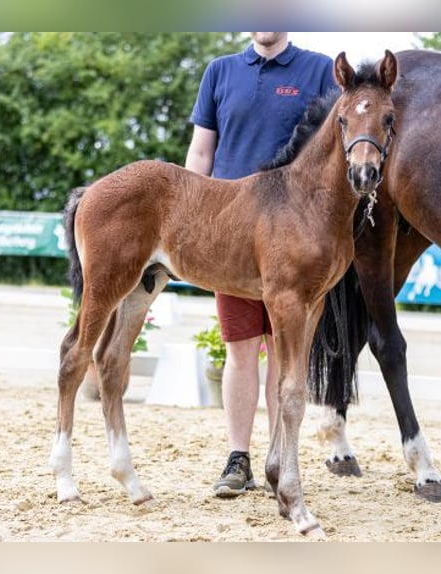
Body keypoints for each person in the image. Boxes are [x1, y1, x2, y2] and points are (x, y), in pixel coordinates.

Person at [185, 32, 338, 497]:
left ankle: (280, 456)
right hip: (231, 235)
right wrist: (192, 217)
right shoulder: (220, 71)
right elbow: (201, 152)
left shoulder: (319, 69)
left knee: (284, 356)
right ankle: (238, 458)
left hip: (298, 238)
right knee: (240, 351)